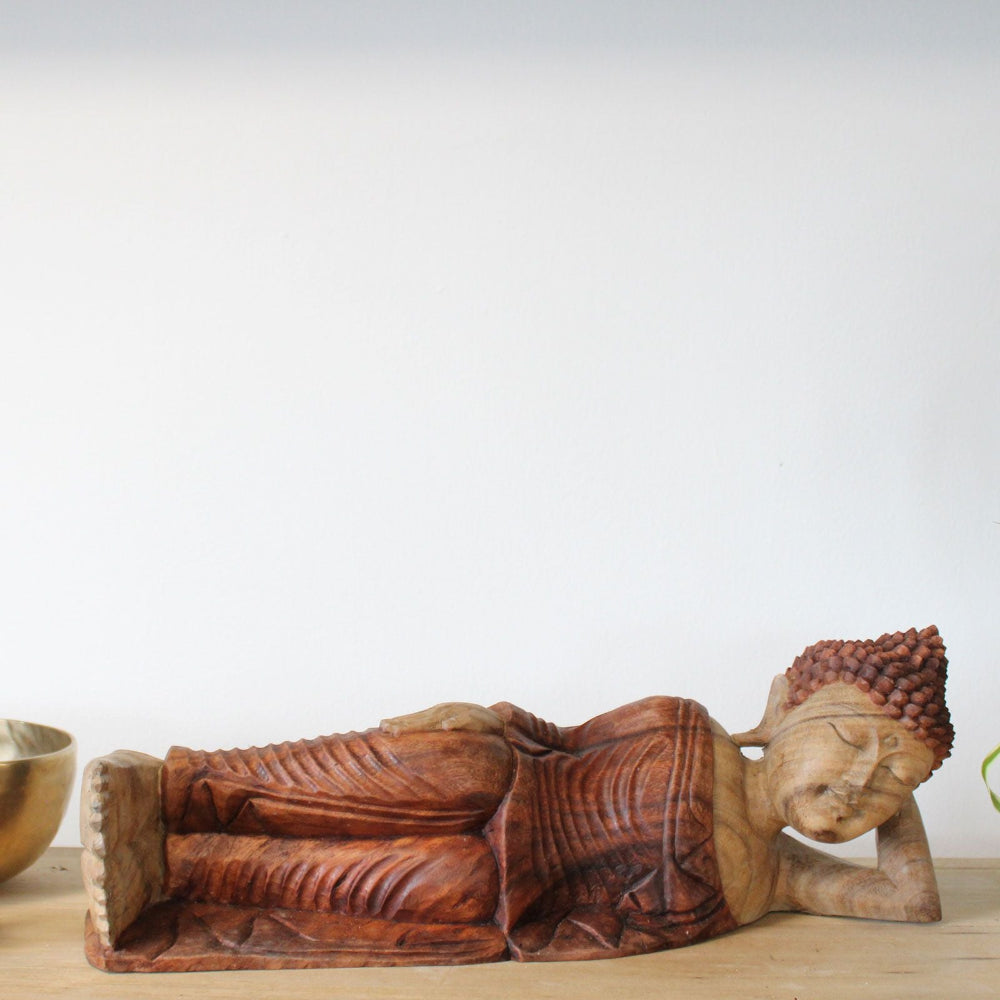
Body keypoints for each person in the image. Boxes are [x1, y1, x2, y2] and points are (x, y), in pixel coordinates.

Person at [82, 626, 952, 970]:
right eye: (846, 742)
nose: (853, 786)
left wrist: (896, 779)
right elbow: (568, 737)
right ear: (791, 705)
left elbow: (912, 899)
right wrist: (486, 715)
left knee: (390, 885)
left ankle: (176, 866)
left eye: (888, 786)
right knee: (389, 772)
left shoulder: (776, 882)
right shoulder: (691, 726)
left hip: (506, 891)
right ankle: (170, 786)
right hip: (507, 774)